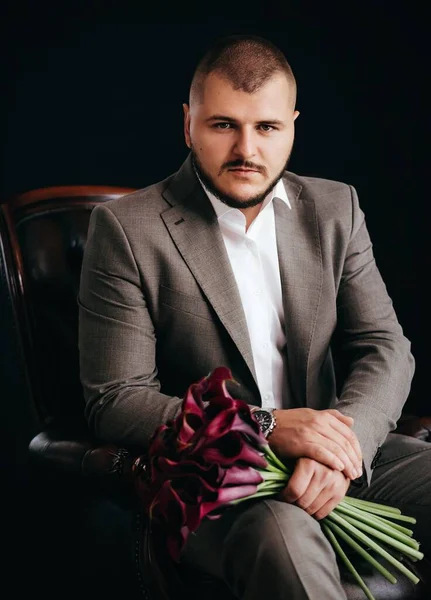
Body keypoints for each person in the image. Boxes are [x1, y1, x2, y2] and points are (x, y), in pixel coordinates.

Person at [78, 34, 431, 599]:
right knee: (284, 542)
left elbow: (385, 346)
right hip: (225, 487)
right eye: (223, 125)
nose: (247, 149)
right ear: (188, 123)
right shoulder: (128, 230)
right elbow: (117, 398)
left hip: (343, 464)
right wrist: (266, 428)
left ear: (292, 126)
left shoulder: (336, 208)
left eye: (267, 127)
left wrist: (344, 449)